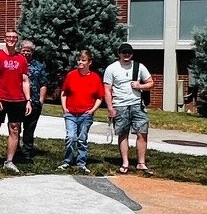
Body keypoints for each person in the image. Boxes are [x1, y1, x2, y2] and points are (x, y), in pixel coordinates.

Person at [0, 28, 31, 174]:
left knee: (15, 130)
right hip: (1, 99)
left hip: (17, 100)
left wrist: (28, 100)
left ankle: (9, 161)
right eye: (8, 37)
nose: (11, 39)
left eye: (14, 37)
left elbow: (24, 80)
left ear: (17, 40)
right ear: (4, 38)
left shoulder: (21, 59)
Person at [102, 44, 155, 173]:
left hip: (138, 104)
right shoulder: (111, 68)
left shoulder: (139, 67)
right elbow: (107, 90)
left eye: (129, 53)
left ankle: (141, 163)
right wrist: (110, 108)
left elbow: (151, 83)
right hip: (120, 105)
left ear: (132, 54)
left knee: (142, 133)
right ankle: (125, 162)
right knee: (122, 134)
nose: (126, 55)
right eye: (124, 52)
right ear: (119, 53)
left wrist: (140, 85)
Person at [59, 50, 106, 172]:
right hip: (71, 113)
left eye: (83, 60)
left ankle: (81, 162)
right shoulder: (71, 75)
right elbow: (64, 93)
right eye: (79, 60)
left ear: (89, 62)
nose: (80, 62)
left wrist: (92, 110)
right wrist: (65, 108)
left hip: (85, 114)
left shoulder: (95, 78)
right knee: (71, 137)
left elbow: (100, 97)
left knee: (82, 139)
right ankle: (67, 160)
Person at [21, 40, 49, 157]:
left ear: (32, 52)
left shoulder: (38, 66)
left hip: (34, 102)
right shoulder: (16, 63)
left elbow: (43, 84)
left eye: (29, 50)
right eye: (24, 50)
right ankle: (15, 151)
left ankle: (27, 151)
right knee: (15, 127)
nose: (26, 52)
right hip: (17, 101)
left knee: (29, 128)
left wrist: (41, 100)